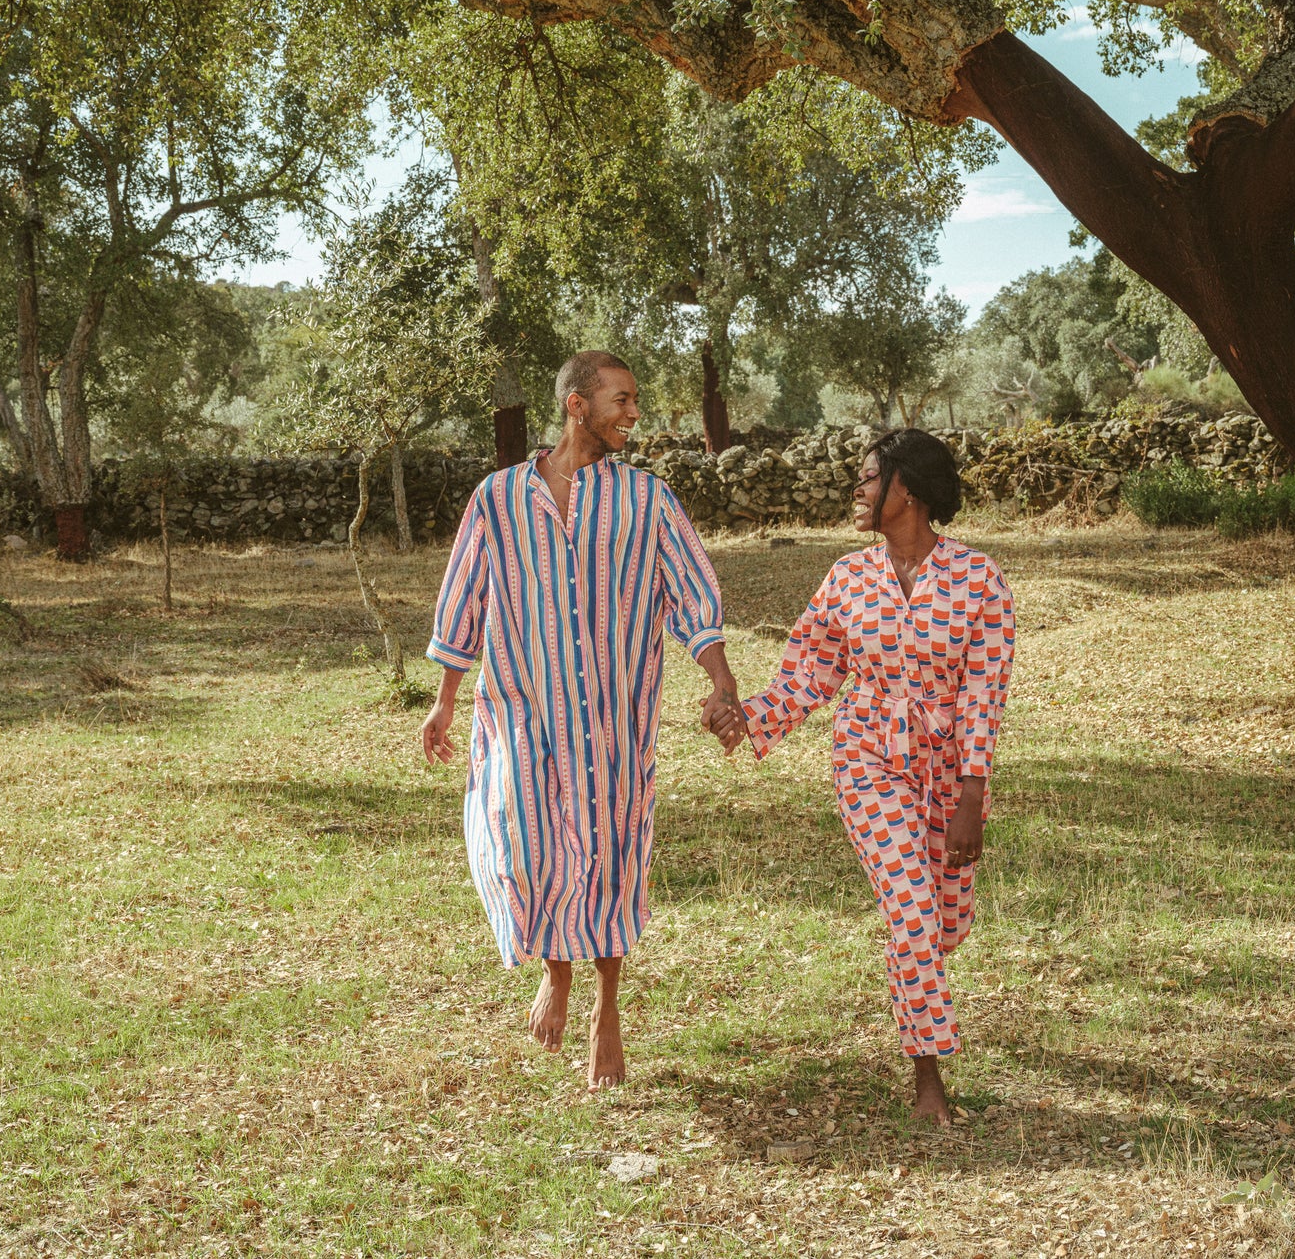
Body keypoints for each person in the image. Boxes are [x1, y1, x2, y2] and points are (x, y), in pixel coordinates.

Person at [420, 350, 742, 1090]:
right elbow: (464, 593)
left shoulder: (647, 500)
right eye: (622, 400)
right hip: (521, 706)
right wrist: (444, 698)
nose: (634, 413)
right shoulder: (497, 499)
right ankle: (553, 970)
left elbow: (695, 594)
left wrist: (722, 685)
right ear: (576, 405)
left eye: (635, 400)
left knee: (608, 847)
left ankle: (605, 1008)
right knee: (527, 845)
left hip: (613, 714)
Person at [708, 429, 1015, 1125]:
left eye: (869, 477)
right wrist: (746, 718)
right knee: (910, 911)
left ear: (905, 488)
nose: (858, 488)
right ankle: (927, 1077)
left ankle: (920, 987)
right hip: (867, 757)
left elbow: (983, 694)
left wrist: (971, 795)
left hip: (948, 767)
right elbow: (809, 673)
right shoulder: (847, 578)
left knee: (943, 923)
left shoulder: (979, 578)